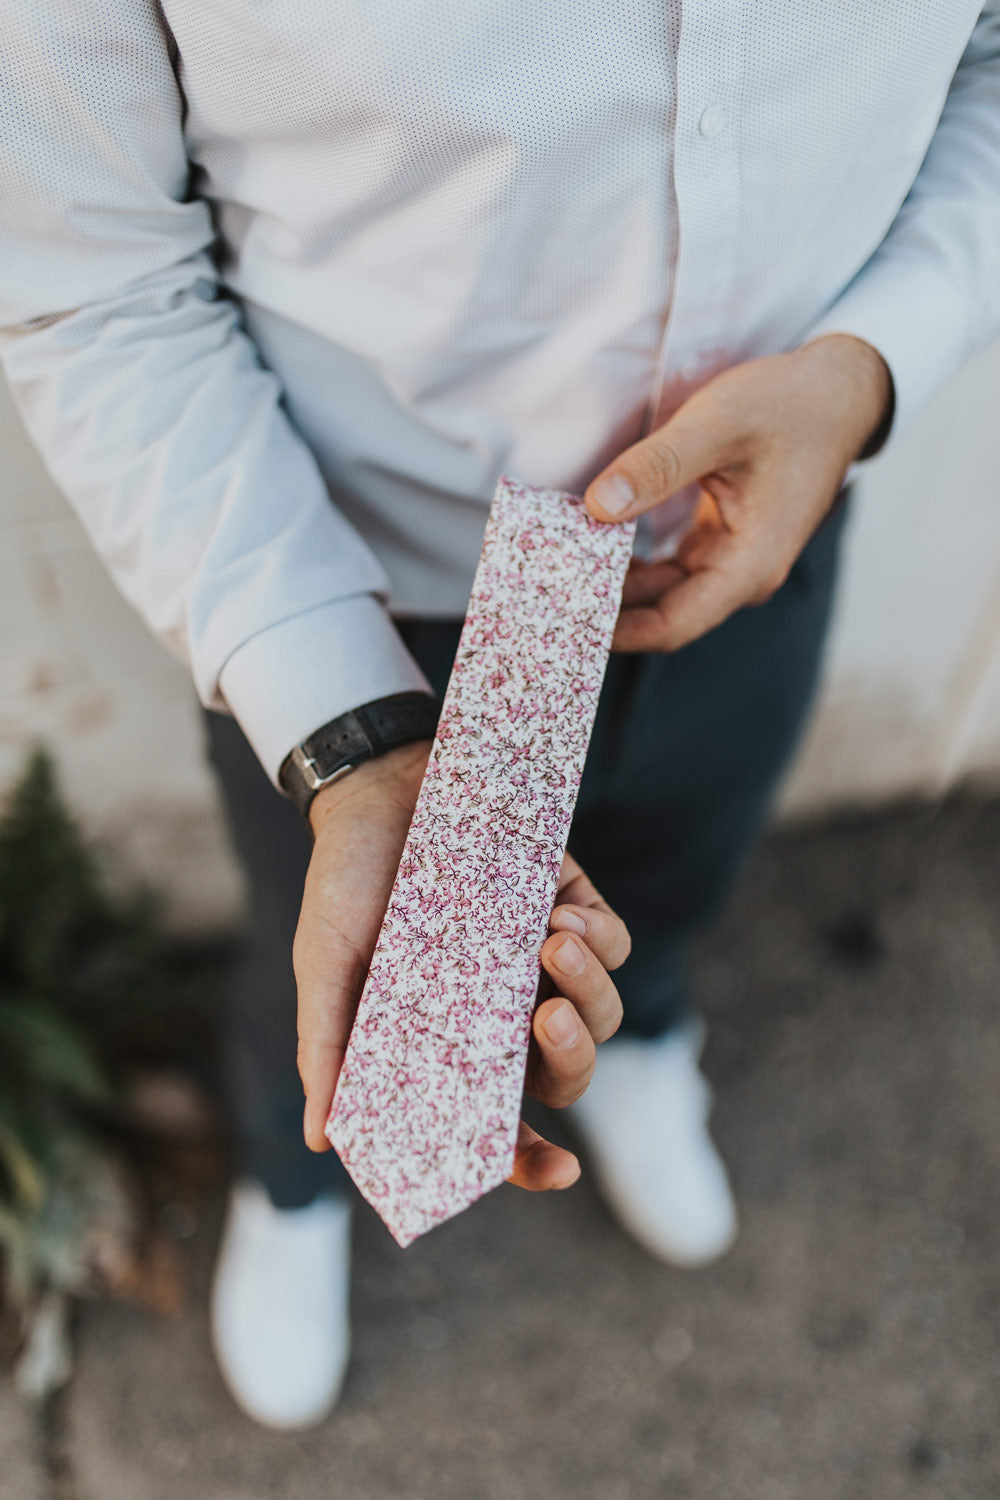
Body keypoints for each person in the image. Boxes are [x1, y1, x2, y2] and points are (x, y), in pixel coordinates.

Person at [2, 1, 998, 1431]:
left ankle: (646, 1035)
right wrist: (342, 725)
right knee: (322, 945)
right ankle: (300, 1180)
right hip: (344, 587)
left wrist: (878, 359)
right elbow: (89, 275)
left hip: (758, 533)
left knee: (689, 839)